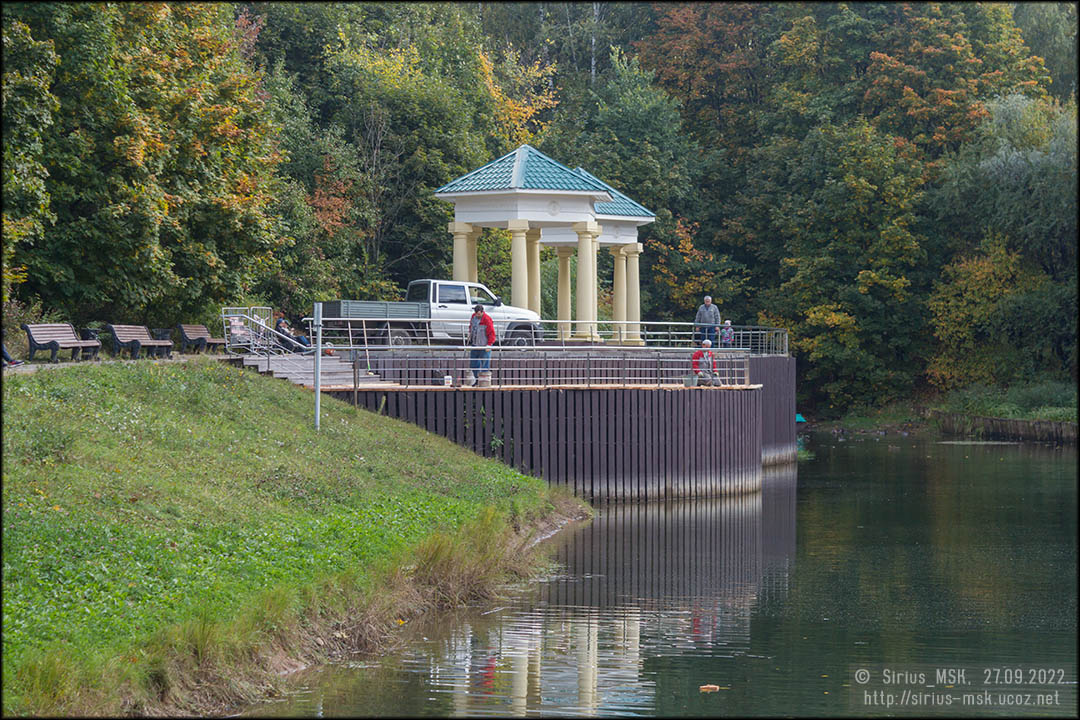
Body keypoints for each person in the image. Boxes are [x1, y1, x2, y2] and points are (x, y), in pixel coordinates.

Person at [465, 302, 495, 386]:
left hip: (484, 345)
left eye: (479, 314)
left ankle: (483, 382)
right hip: (475, 344)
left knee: (485, 364)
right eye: (476, 313)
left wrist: (489, 344)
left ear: (482, 312)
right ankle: (477, 379)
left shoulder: (487, 319)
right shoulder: (473, 317)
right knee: (473, 363)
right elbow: (471, 326)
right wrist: (469, 334)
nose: (477, 315)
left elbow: (491, 333)